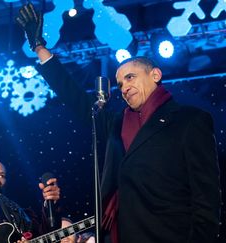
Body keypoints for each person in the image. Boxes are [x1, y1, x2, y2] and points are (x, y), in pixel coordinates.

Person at [16, 3, 221, 243]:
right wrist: (39, 48)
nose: (124, 87)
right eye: (120, 83)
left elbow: (206, 198)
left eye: (131, 77)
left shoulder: (189, 120)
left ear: (155, 75)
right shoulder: (117, 123)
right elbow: (74, 97)